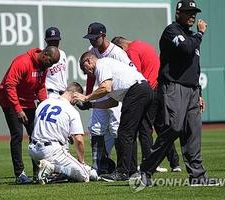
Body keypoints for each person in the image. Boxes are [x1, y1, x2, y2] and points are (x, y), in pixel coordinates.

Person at [136, 0, 219, 186]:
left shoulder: (190, 36)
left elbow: (194, 67)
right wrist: (200, 33)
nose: (192, 15)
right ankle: (146, 169)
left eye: (194, 12)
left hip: (191, 90)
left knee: (193, 132)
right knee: (174, 127)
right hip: (173, 87)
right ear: (177, 13)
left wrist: (197, 93)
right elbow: (186, 48)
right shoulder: (172, 31)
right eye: (188, 11)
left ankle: (197, 177)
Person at [74, 52, 153, 181]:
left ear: (88, 61)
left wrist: (86, 97)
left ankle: (122, 172)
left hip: (135, 91)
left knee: (124, 133)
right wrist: (91, 105)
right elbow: (112, 102)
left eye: (85, 69)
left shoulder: (101, 65)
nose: (87, 73)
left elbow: (106, 88)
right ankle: (135, 172)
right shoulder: (107, 67)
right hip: (145, 90)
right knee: (133, 133)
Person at [111, 36, 181, 173]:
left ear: (120, 47)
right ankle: (175, 162)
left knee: (144, 129)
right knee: (161, 128)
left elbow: (134, 73)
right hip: (159, 89)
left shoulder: (131, 51)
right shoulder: (143, 44)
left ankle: (149, 162)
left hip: (149, 90)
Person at [0, 46, 60, 184]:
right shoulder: (22, 62)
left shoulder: (43, 67)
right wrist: (18, 109)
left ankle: (38, 172)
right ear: (44, 55)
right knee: (17, 135)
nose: (50, 66)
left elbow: (40, 87)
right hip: (10, 101)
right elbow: (9, 85)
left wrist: (45, 106)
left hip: (28, 101)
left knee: (36, 136)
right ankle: (19, 174)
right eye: (50, 62)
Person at [82, 22, 134, 175]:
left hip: (118, 94)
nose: (92, 41)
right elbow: (91, 77)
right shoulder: (91, 51)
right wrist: (89, 97)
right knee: (95, 127)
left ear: (103, 36)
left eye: (94, 38)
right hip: (101, 93)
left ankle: (122, 167)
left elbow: (132, 72)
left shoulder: (117, 53)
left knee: (117, 129)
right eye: (90, 38)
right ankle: (99, 167)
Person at [28, 82, 98, 184]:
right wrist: (81, 162)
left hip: (33, 150)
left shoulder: (44, 103)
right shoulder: (71, 110)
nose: (77, 102)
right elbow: (79, 140)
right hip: (51, 151)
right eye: (78, 99)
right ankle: (52, 168)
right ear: (75, 95)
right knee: (84, 175)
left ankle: (53, 171)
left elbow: (40, 126)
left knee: (76, 170)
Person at [44, 27, 68, 98]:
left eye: (56, 40)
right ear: (46, 41)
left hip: (63, 94)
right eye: (51, 41)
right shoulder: (44, 57)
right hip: (50, 94)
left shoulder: (62, 53)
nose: (54, 43)